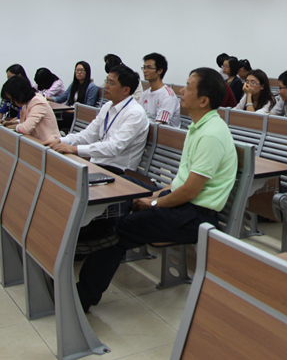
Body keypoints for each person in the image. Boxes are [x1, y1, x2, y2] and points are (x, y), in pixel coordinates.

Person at [75, 67, 237, 313]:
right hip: (181, 204)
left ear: (203, 101)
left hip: (195, 215)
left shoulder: (211, 135)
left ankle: (81, 297)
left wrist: (153, 203)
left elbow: (190, 191)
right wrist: (153, 195)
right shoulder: (198, 127)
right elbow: (181, 179)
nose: (181, 91)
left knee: (120, 228)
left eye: (188, 88)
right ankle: (84, 241)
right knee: (124, 189)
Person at [48, 64, 148, 175]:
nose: (105, 86)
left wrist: (74, 149)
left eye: (111, 83)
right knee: (54, 167)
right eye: (106, 81)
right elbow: (88, 134)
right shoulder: (108, 106)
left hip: (117, 171)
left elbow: (113, 147)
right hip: (97, 164)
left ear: (126, 90)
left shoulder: (135, 113)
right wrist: (61, 141)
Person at [1, 74, 60, 143]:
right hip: (37, 141)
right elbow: (26, 121)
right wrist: (12, 123)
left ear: (19, 95)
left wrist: (13, 127)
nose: (12, 102)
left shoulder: (38, 102)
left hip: (50, 144)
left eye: (11, 98)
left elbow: (25, 128)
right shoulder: (27, 102)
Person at [139, 52, 181, 128]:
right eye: (144, 67)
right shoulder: (144, 94)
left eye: (149, 68)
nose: (145, 70)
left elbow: (159, 125)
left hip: (163, 134)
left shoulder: (168, 96)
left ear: (160, 71)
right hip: (146, 131)